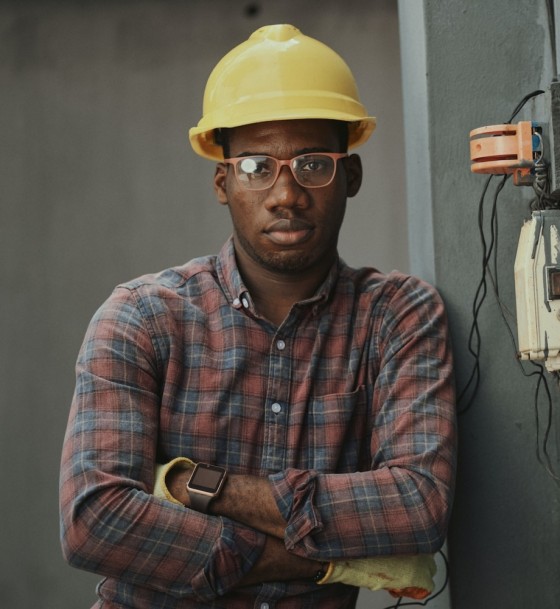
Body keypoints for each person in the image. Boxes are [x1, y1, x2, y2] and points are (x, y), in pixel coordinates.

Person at [59, 24, 456, 609]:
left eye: (313, 165)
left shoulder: (397, 316)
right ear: (223, 182)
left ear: (351, 177)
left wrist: (202, 488)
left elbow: (418, 506)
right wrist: (322, 562)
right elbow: (94, 520)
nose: (286, 193)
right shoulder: (141, 318)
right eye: (255, 167)